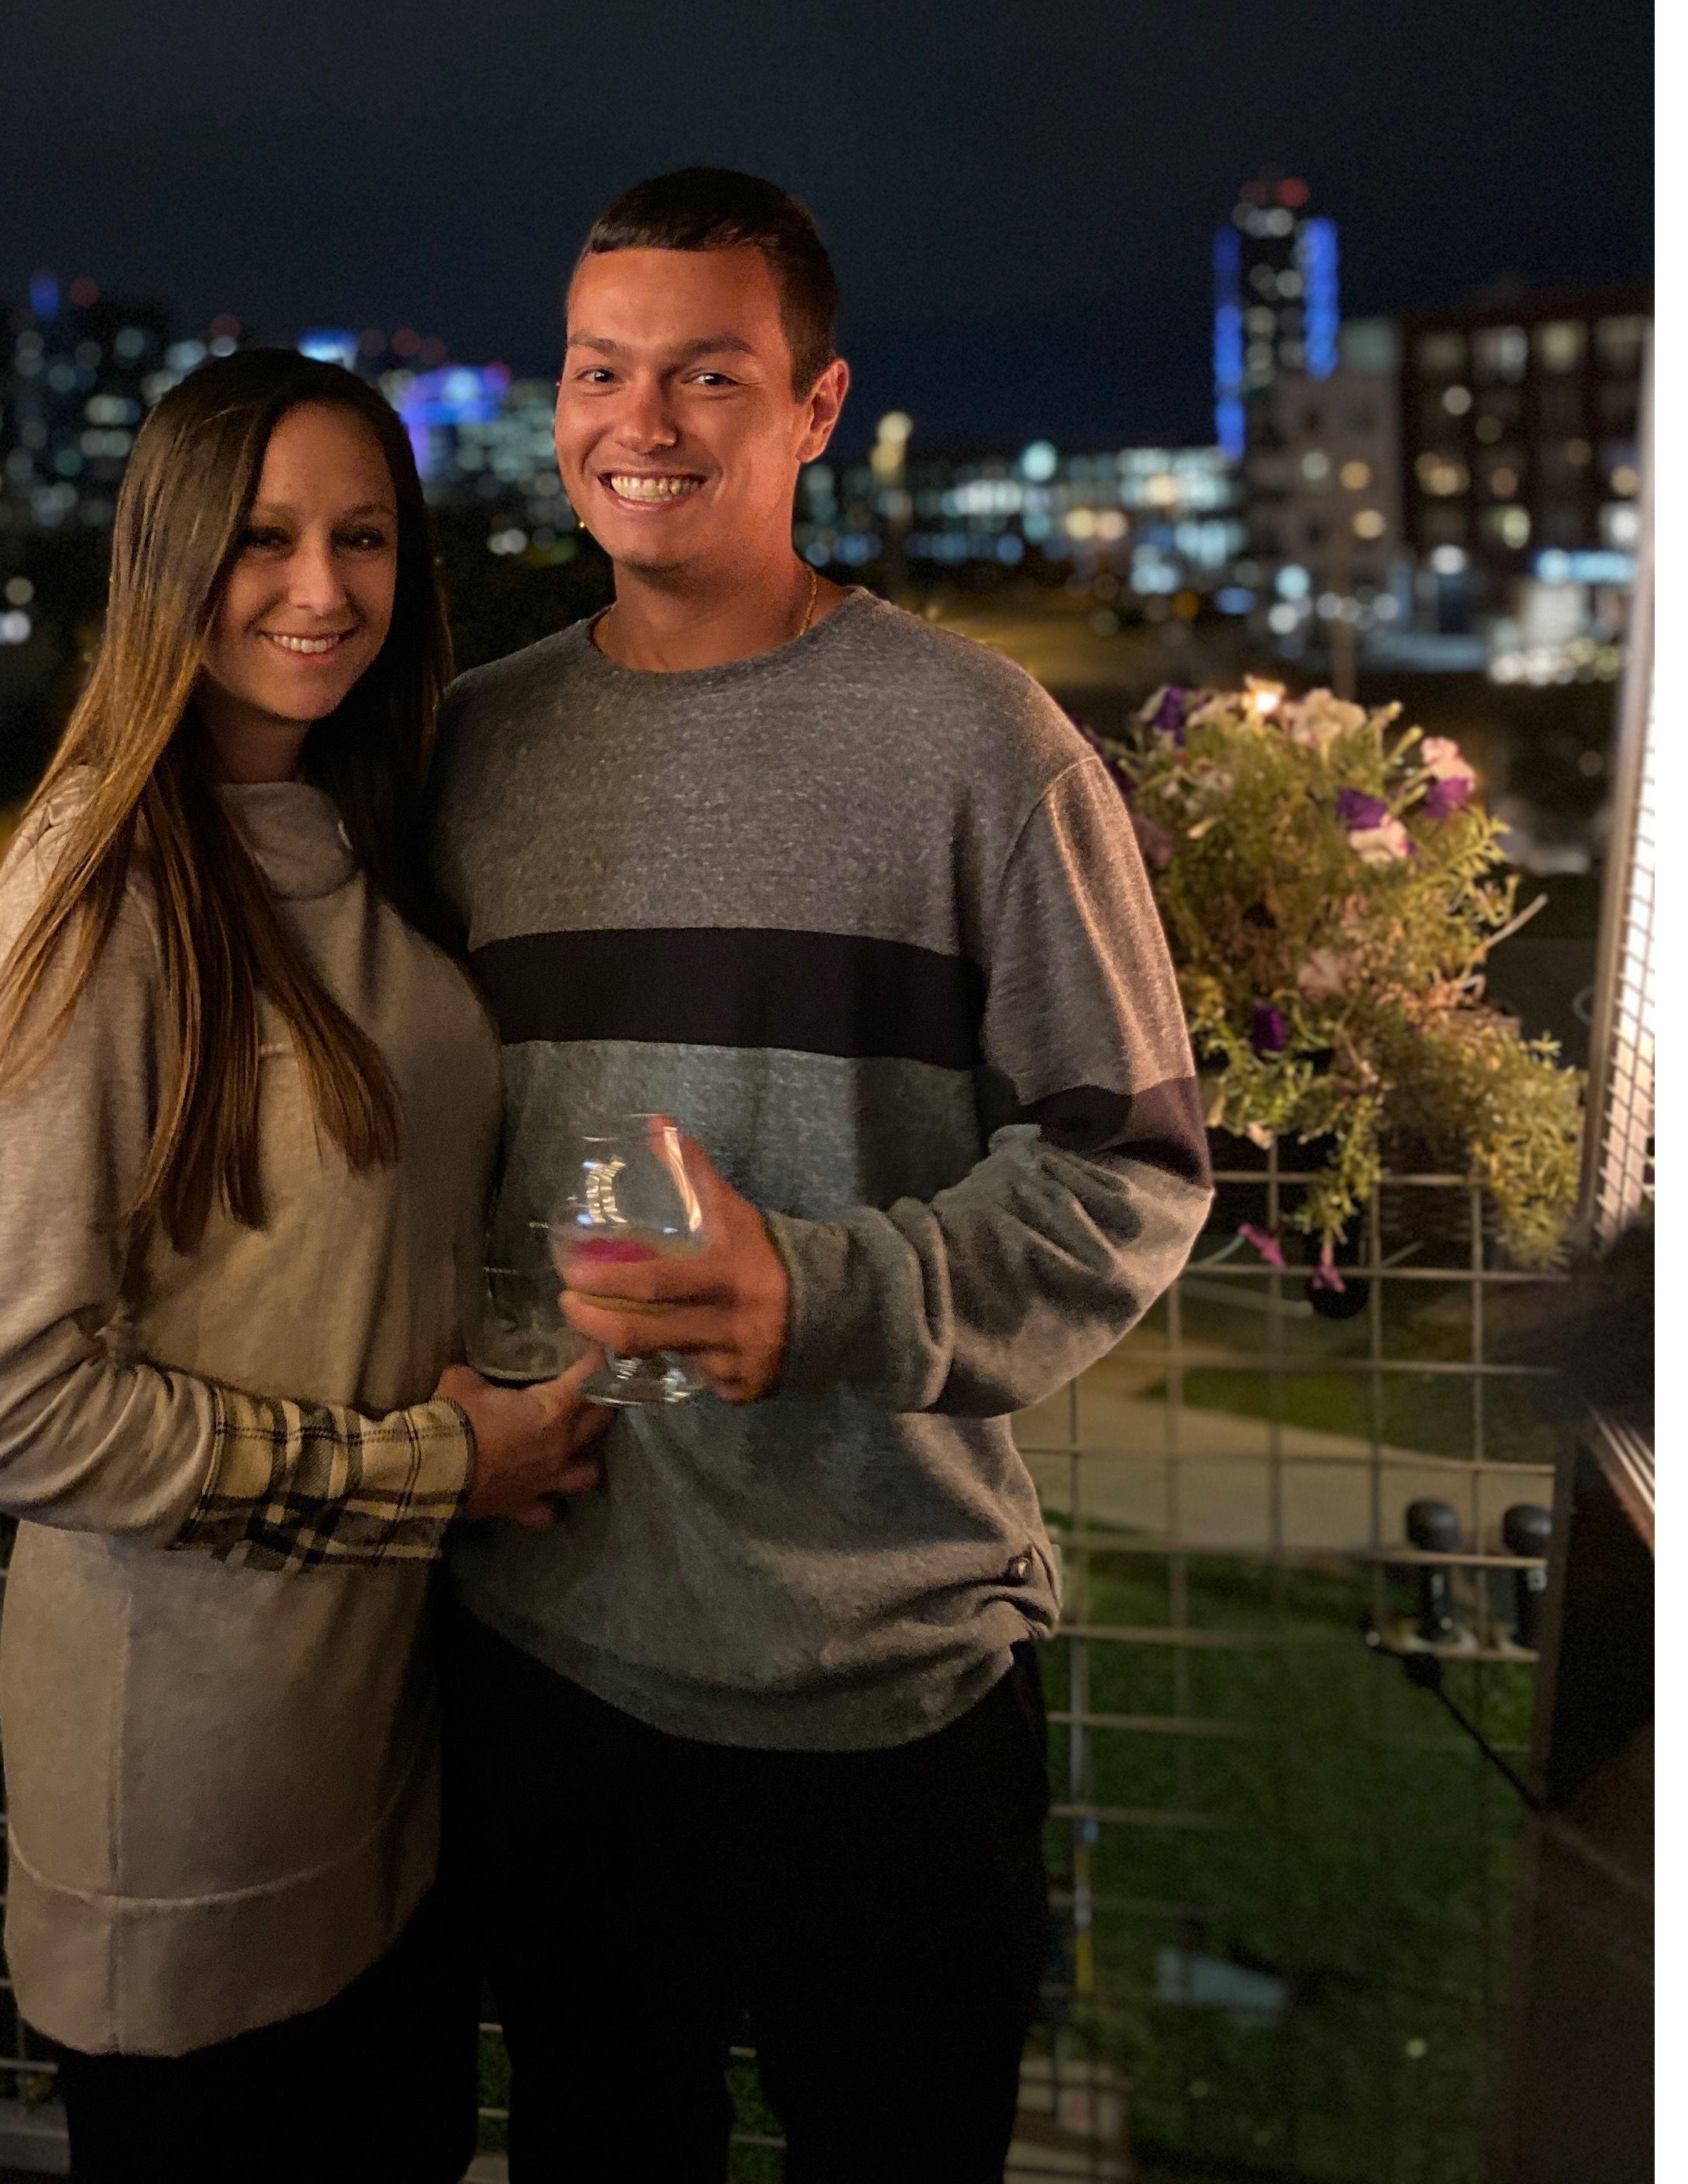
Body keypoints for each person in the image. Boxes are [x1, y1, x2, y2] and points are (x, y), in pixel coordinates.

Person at [433, 170, 1214, 2184]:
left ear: (818, 409)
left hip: (886, 1690)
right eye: (599, 370)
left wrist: (826, 1294)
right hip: (551, 1655)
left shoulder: (982, 748)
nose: (641, 420)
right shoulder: (468, 752)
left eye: (708, 373)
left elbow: (1130, 1170)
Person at [0, 347, 609, 2184]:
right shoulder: (97, 896)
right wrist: (431, 1472)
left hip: (383, 1757)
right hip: (189, 1812)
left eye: (363, 537)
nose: (321, 588)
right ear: (168, 560)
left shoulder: (358, 835)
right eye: (263, 537)